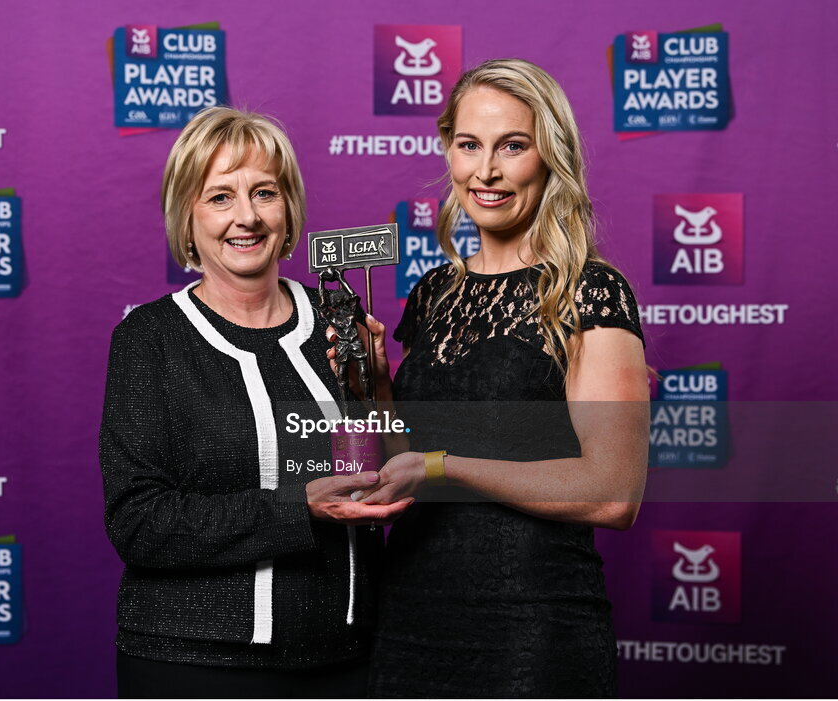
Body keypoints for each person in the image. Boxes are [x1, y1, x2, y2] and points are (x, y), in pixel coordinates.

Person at [347, 60, 650, 697]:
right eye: (469, 145)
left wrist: (444, 466)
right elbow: (404, 465)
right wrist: (376, 388)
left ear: (550, 157)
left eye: (512, 146)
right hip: (409, 616)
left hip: (532, 628)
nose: (485, 171)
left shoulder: (589, 292)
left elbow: (612, 492)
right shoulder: (432, 294)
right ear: (448, 151)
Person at [99, 106, 412, 699]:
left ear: (288, 209)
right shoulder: (150, 337)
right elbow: (139, 523)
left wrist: (380, 388)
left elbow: (386, 470)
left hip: (346, 659)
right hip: (194, 664)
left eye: (264, 192)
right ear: (186, 219)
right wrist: (300, 507)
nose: (246, 216)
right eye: (219, 197)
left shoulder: (338, 320)